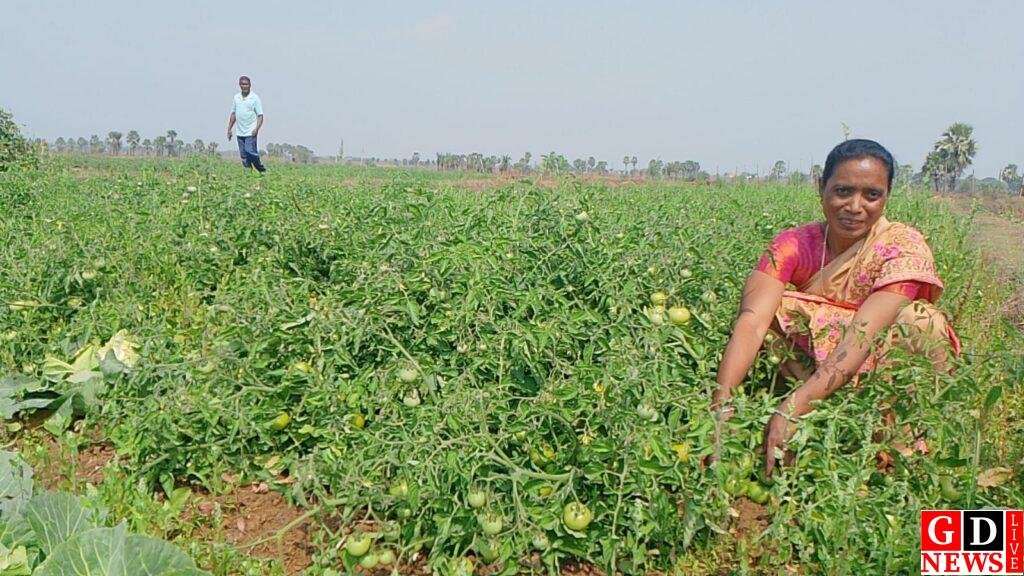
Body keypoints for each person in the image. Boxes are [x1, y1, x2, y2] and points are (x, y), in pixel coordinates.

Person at [709, 139, 959, 478]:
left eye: (872, 195)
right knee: (772, 310)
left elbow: (862, 336)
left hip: (877, 364)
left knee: (921, 320)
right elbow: (751, 323)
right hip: (822, 366)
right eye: (843, 191)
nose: (855, 206)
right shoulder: (795, 244)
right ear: (820, 187)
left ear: (887, 196)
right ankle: (819, 421)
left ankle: (899, 443)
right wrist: (720, 407)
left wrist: (795, 406)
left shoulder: (901, 246)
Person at [226, 75, 266, 173]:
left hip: (250, 131)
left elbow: (260, 116)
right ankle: (249, 175)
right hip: (240, 132)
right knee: (244, 156)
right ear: (240, 85)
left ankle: (261, 169)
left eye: (246, 84)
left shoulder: (255, 98)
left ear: (250, 85)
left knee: (250, 151)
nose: (245, 86)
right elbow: (233, 114)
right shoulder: (236, 98)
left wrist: (257, 128)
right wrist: (229, 129)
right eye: (243, 84)